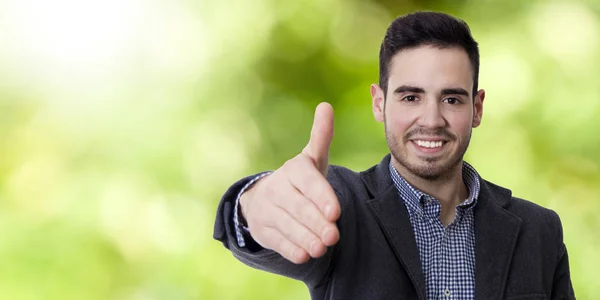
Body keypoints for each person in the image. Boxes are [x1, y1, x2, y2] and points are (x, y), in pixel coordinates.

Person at [213, 11, 575, 299]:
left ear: (477, 107)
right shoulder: (338, 205)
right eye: (410, 97)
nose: (431, 120)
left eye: (451, 99)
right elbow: (260, 226)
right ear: (379, 103)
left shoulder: (539, 230)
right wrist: (252, 205)